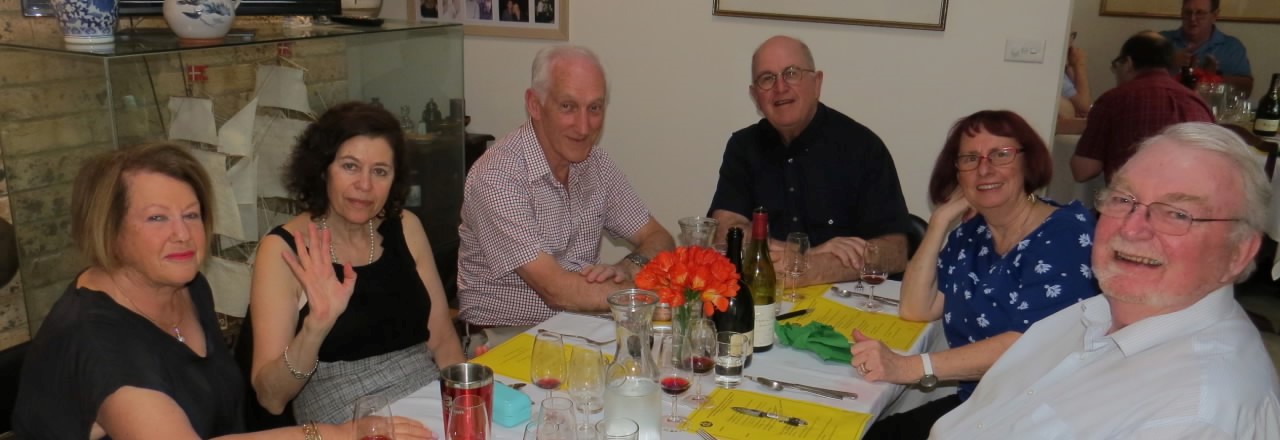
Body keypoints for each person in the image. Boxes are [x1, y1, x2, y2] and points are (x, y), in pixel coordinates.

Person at [12, 143, 432, 439]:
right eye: (157, 218)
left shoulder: (188, 287)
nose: (183, 234)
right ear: (110, 230)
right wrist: (332, 434)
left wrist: (316, 325)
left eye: (191, 215)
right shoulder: (97, 342)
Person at [931, 122, 1280, 438]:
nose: (1131, 228)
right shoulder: (1097, 312)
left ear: (1239, 253)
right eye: (1123, 199)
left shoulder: (1191, 414)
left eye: (1177, 214)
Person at [851, 111, 1100, 439]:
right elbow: (916, 307)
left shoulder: (1067, 234)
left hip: (1040, 417)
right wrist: (940, 221)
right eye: (970, 158)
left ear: (1028, 162)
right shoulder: (971, 235)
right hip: (981, 406)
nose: (985, 169)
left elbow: (1027, 345)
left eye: (1001, 154)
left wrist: (910, 367)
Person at [247, 102, 464, 424]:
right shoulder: (283, 250)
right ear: (323, 169)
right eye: (350, 166)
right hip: (345, 419)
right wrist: (315, 327)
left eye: (380, 171)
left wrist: (466, 408)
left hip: (426, 396)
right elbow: (271, 398)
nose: (365, 185)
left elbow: (443, 340)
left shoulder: (406, 227)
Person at [456, 45, 674, 355]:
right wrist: (651, 292)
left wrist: (629, 267)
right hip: (505, 340)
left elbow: (659, 238)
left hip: (583, 332)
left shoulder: (596, 163)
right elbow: (556, 290)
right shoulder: (497, 176)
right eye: (568, 107)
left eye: (594, 108)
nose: (584, 127)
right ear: (535, 105)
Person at [709, 35, 911, 284]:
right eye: (767, 78)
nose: (780, 88)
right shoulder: (743, 146)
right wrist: (803, 253)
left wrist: (812, 268)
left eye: (791, 73)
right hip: (767, 294)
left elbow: (895, 251)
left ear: (817, 83)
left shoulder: (863, 148)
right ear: (755, 95)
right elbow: (724, 232)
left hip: (847, 299)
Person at [1071, 31, 1213, 184]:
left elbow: (1083, 170)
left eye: (1117, 65)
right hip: (1189, 195)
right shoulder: (1197, 103)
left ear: (1128, 63)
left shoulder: (1112, 100)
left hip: (1133, 195)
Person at [1159, 0, 1253, 97]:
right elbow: (1147, 81)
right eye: (1188, 12)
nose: (1192, 18)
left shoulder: (1231, 47)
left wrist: (1211, 77)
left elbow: (1246, 89)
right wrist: (1169, 62)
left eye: (1200, 13)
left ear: (1214, 16)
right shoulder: (1161, 41)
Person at [1057, 34, 1091, 135]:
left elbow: (1083, 109)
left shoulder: (1064, 70)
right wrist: (1079, 65)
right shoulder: (1054, 73)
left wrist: (1071, 66)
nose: (1072, 41)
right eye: (1071, 35)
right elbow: (1084, 106)